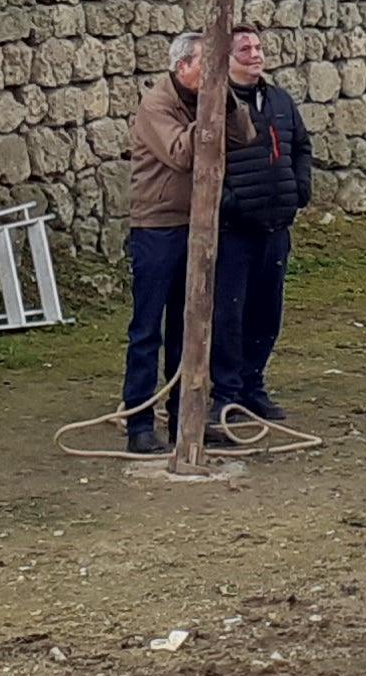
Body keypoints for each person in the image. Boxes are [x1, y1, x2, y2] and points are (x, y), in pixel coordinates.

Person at [119, 33, 261, 451]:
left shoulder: (207, 99)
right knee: (148, 330)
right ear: (183, 66)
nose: (214, 73)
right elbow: (183, 152)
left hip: (198, 225)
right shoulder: (156, 105)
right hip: (158, 228)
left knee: (192, 326)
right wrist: (211, 114)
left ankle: (188, 418)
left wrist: (227, 102)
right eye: (206, 64)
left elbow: (243, 136)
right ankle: (139, 424)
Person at [212, 25, 314, 427]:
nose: (255, 54)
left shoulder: (280, 101)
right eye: (245, 48)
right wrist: (229, 203)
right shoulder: (217, 105)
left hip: (275, 227)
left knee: (266, 314)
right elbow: (203, 162)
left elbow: (301, 145)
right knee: (228, 316)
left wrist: (298, 189)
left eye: (258, 47)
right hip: (235, 231)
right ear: (227, 57)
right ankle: (225, 394)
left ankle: (253, 386)